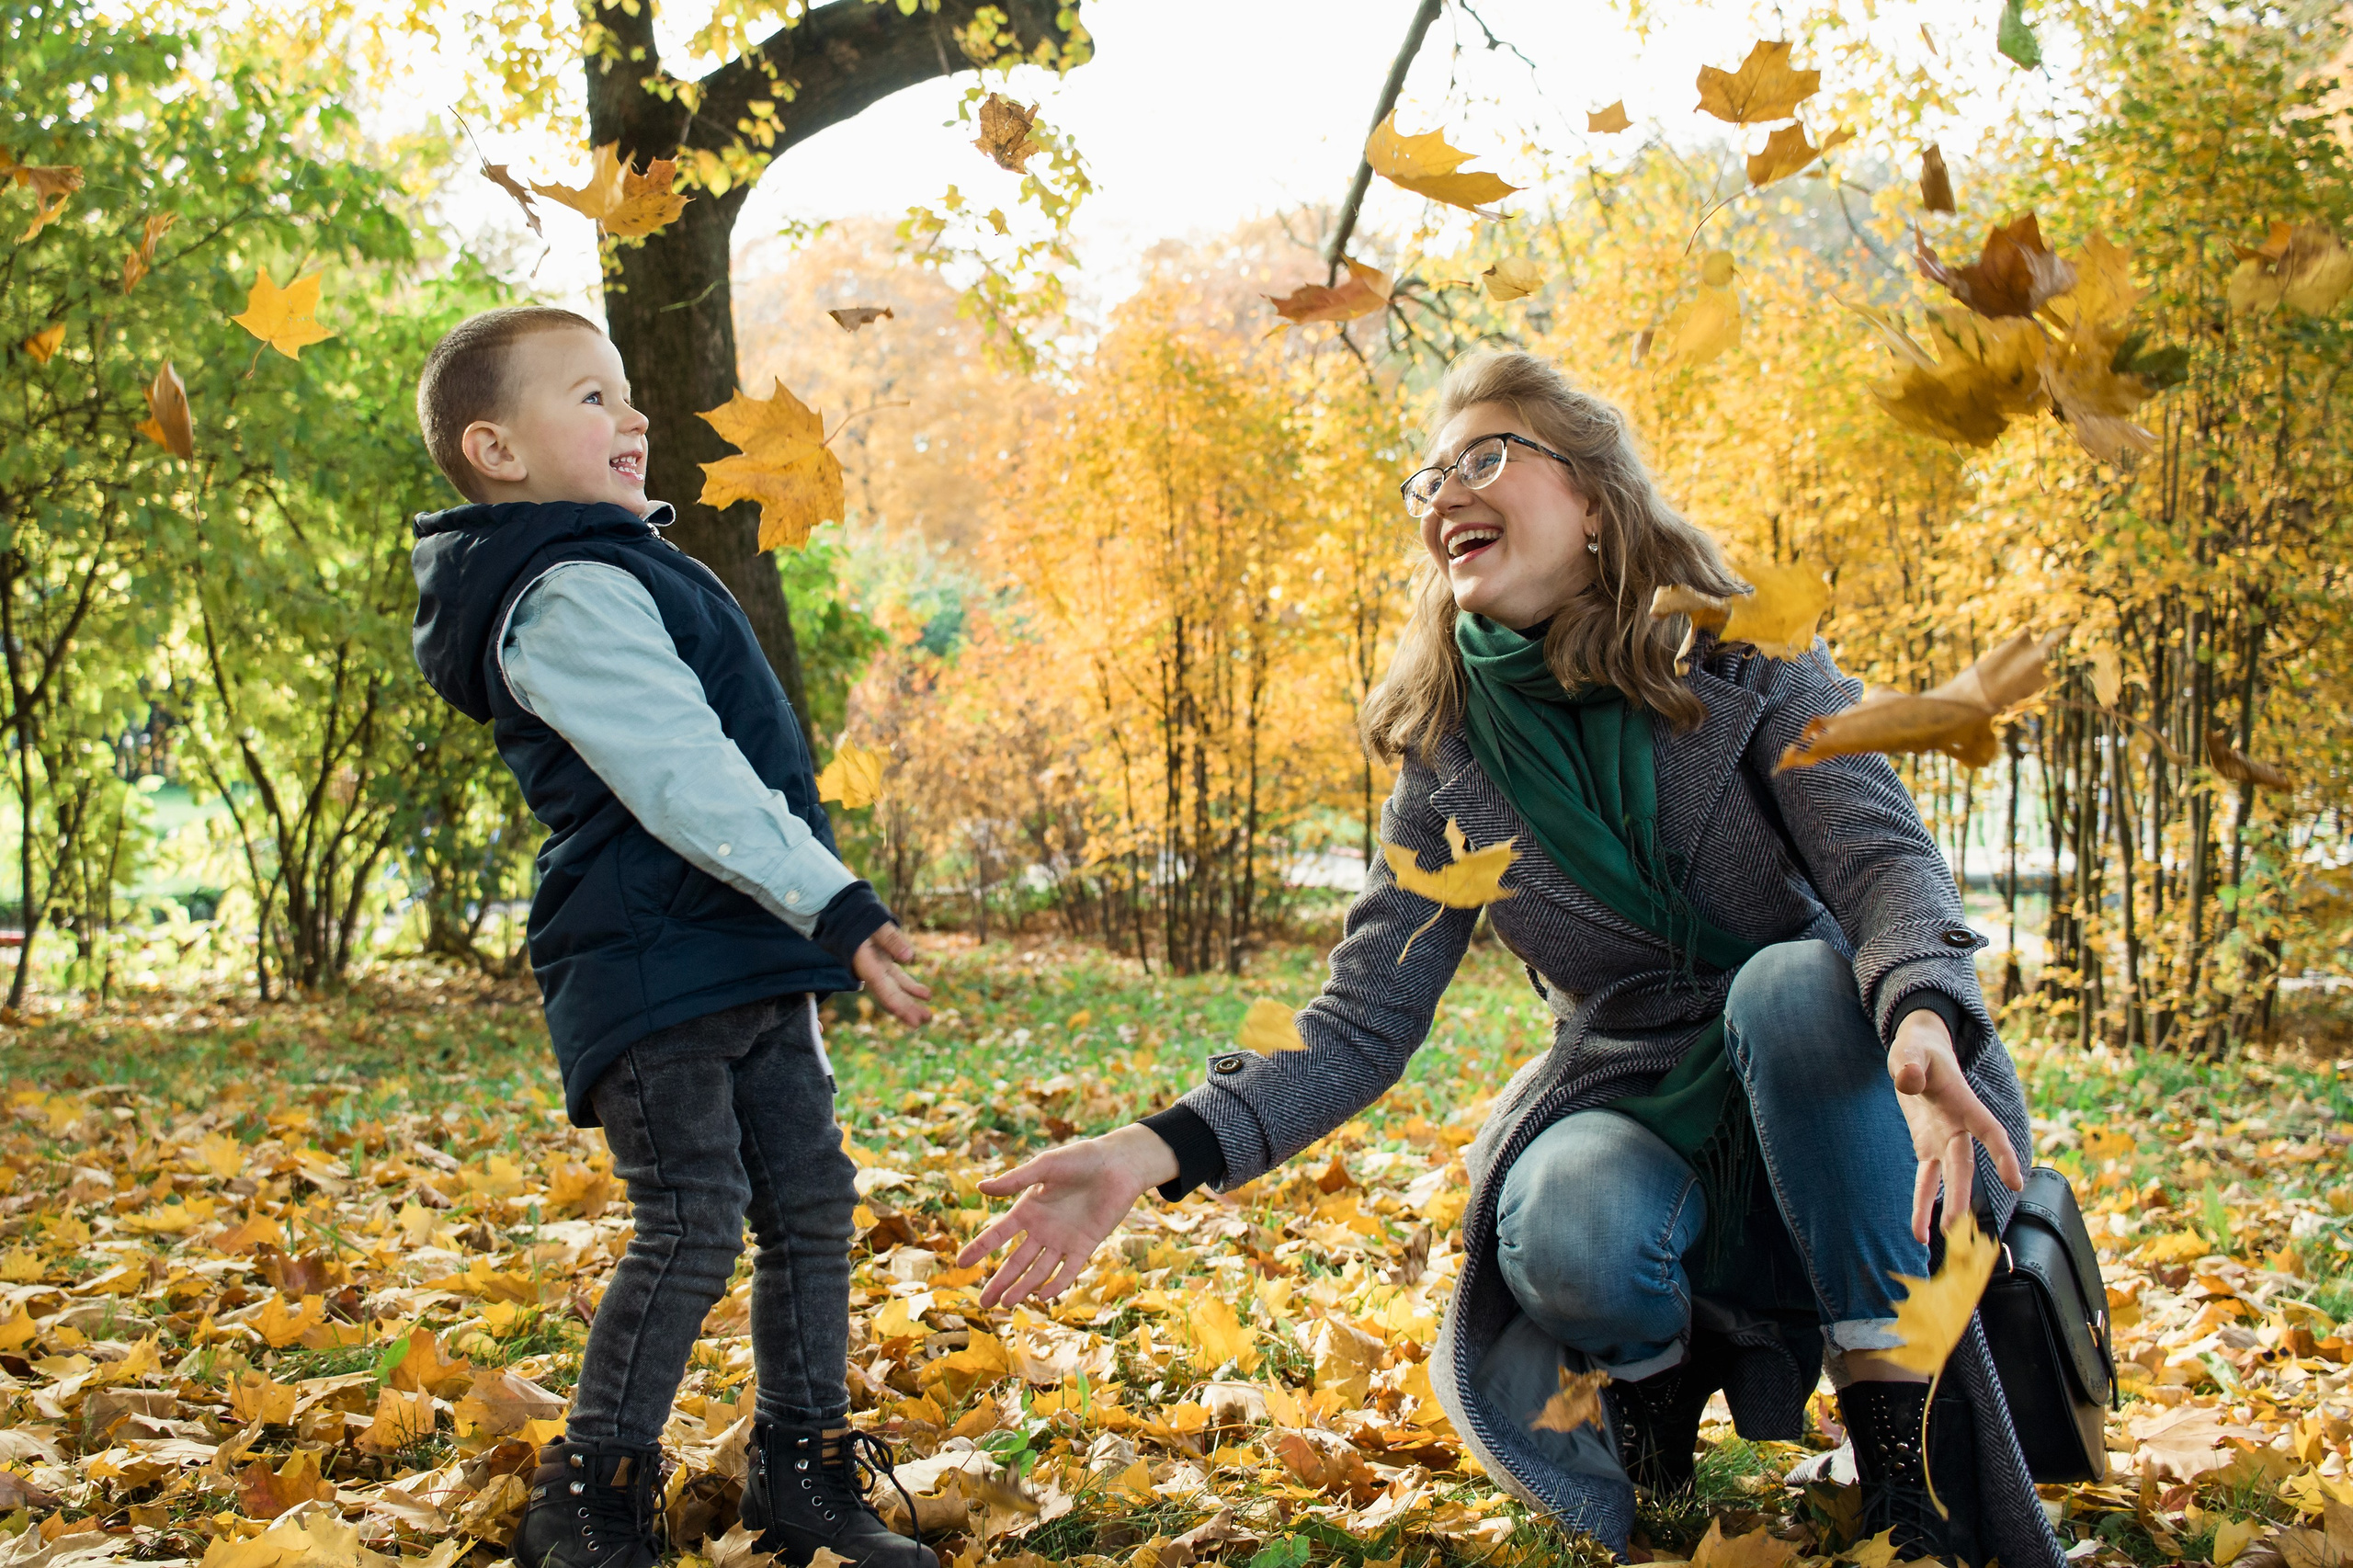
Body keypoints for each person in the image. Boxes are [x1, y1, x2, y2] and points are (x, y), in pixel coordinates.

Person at [958, 350, 2061, 1567]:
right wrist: (1154, 1145)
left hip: (1840, 1081)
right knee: (1566, 1213)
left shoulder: (1743, 652)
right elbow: (1361, 1016)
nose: (1443, 494)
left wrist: (1917, 1020)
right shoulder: (1448, 753)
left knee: (1788, 979)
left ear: (1591, 498)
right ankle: (1655, 1396)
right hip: (1639, 1093)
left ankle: (1908, 1468)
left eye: (1483, 457)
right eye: (1427, 479)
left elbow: (1881, 862)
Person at [407, 306, 934, 1568]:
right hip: (649, 961)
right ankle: (589, 1495)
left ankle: (801, 1467)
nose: (632, 417)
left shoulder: (622, 560)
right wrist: (835, 900)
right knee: (694, 1217)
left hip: (741, 948)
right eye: (590, 399)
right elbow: (680, 771)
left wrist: (801, 917)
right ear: (496, 450)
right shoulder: (564, 591)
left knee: (810, 1203)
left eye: (627, 395)